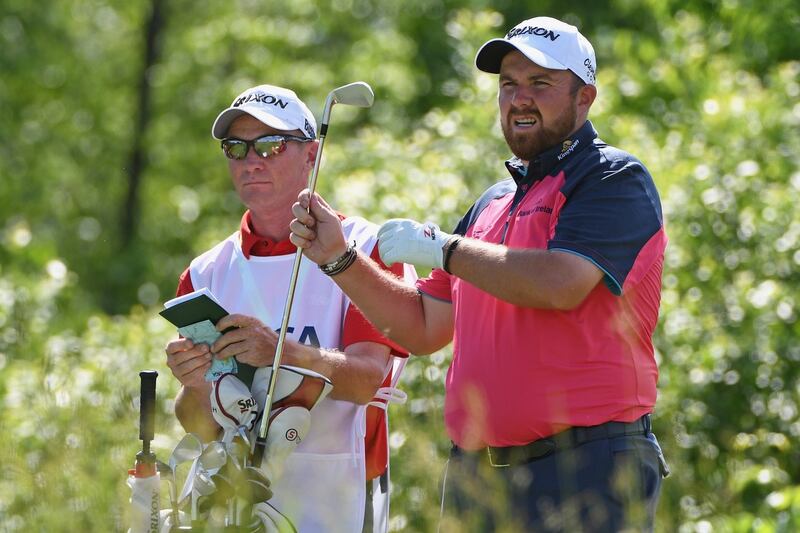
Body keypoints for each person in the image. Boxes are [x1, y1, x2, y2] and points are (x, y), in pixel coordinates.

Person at [290, 16, 669, 532]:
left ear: (586, 98)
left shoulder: (613, 179)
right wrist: (339, 259)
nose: (519, 99)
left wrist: (444, 249)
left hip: (589, 465)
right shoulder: (492, 203)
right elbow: (423, 327)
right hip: (478, 476)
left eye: (540, 83)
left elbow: (561, 283)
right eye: (508, 84)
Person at [164, 83, 414, 532]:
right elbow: (198, 425)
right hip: (233, 508)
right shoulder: (204, 272)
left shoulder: (368, 249)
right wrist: (196, 383)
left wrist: (280, 351)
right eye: (236, 147)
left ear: (311, 155)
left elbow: (366, 381)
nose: (251, 160)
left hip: (338, 499)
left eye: (271, 144)